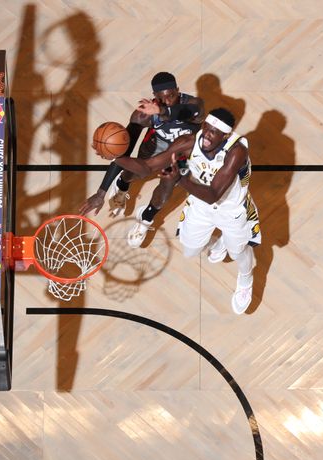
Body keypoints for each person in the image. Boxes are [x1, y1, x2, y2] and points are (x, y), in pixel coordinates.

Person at [114, 107, 259, 314]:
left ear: (225, 135)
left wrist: (180, 179)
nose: (207, 135)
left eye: (213, 132)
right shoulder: (188, 143)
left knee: (238, 251)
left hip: (231, 208)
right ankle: (219, 240)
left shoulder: (236, 152)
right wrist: (115, 157)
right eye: (206, 128)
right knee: (191, 250)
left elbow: (214, 194)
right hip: (201, 205)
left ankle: (245, 280)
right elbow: (148, 167)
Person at [80, 71, 204, 248]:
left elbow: (189, 112)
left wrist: (162, 110)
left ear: (178, 90)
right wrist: (101, 193)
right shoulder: (143, 115)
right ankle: (122, 186)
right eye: (162, 98)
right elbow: (122, 154)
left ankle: (145, 219)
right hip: (156, 145)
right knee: (132, 172)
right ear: (154, 97)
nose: (167, 101)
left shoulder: (194, 104)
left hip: (183, 150)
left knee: (167, 187)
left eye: (171, 95)